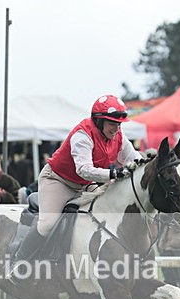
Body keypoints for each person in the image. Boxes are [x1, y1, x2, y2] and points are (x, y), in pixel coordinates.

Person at [9, 95, 141, 276]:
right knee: (47, 223)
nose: (116, 128)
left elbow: (133, 159)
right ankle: (18, 263)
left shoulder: (118, 136)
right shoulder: (83, 134)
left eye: (119, 124)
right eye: (112, 123)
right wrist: (113, 173)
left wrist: (149, 165)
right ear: (99, 120)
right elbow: (84, 169)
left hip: (84, 184)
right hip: (57, 180)